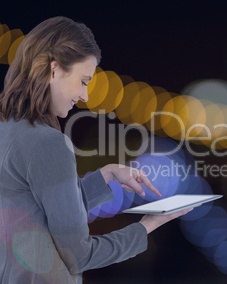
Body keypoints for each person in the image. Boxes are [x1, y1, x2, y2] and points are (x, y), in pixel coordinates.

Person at [0, 16, 191, 283]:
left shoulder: (7, 130)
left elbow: (41, 211)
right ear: (54, 70)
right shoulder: (48, 143)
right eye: (84, 81)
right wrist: (147, 226)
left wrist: (107, 176)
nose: (85, 97)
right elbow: (79, 255)